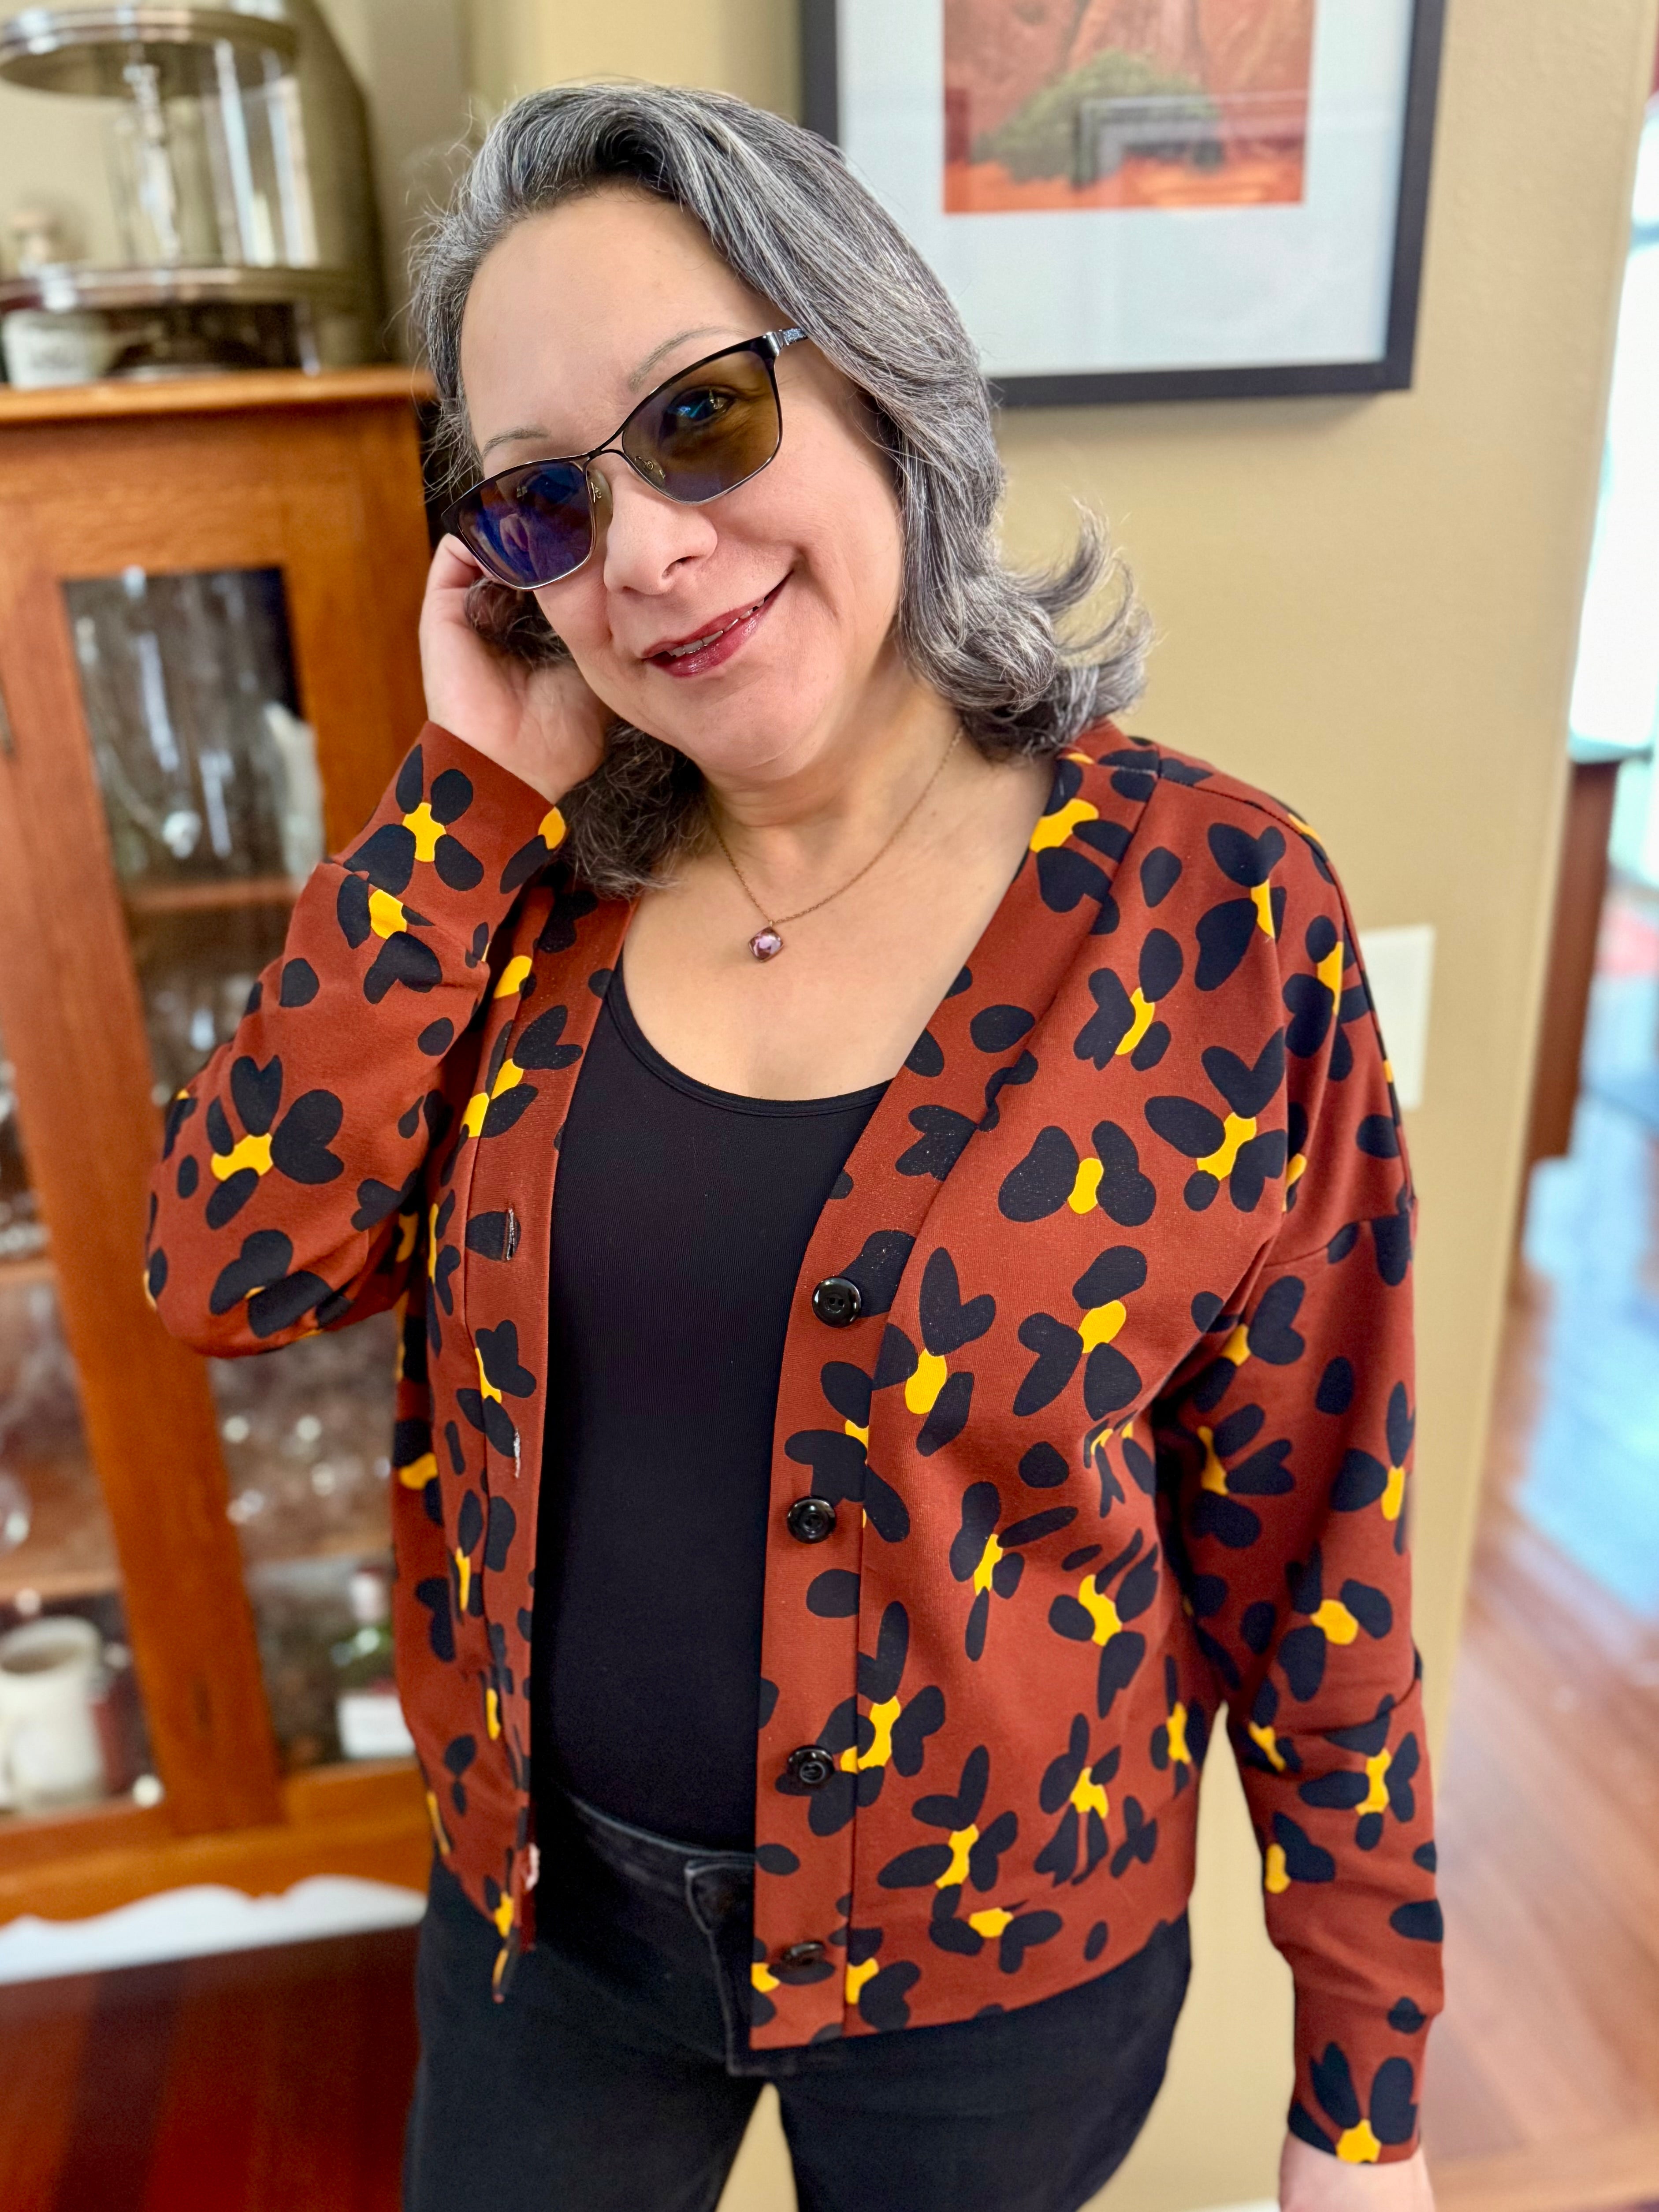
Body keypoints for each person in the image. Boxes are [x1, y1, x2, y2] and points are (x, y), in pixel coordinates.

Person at [145, 81, 1442, 2212]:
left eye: (701, 419)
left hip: (1000, 1963)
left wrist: (1363, 2089)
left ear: (874, 379)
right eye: (545, 508)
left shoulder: (1212, 914)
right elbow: (221, 1270)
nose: (647, 550)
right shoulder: (518, 891)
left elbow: (1316, 1534)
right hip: (544, 1936)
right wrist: (469, 796)